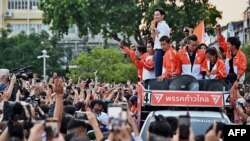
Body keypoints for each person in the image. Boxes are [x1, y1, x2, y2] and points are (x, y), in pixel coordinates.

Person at [151, 8, 171, 77]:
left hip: (161, 50)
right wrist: (153, 31)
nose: (155, 16)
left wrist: (154, 29)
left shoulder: (164, 25)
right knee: (157, 71)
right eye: (154, 15)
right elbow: (154, 40)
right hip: (157, 49)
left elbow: (162, 39)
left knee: (159, 72)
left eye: (157, 15)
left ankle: (159, 86)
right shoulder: (158, 25)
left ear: (162, 16)